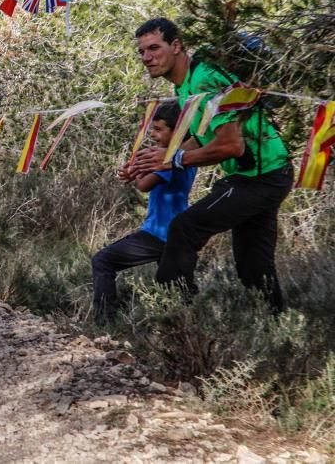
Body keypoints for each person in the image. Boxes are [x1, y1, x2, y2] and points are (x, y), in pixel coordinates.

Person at [130, 17, 292, 312]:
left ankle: (172, 313)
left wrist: (175, 159)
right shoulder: (184, 87)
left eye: (154, 48)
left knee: (184, 228)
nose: (147, 57)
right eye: (141, 52)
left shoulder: (205, 78)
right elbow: (203, 138)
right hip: (263, 173)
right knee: (254, 268)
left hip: (260, 176)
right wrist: (161, 159)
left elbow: (231, 145)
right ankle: (278, 326)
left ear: (176, 45)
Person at [92, 102, 196, 323]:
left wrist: (137, 169)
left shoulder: (171, 159)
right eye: (153, 129)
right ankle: (191, 327)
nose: (154, 135)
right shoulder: (182, 157)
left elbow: (144, 185)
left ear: (177, 130)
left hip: (159, 234)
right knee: (181, 289)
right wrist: (139, 167)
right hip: (175, 235)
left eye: (159, 130)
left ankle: (104, 321)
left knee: (102, 261)